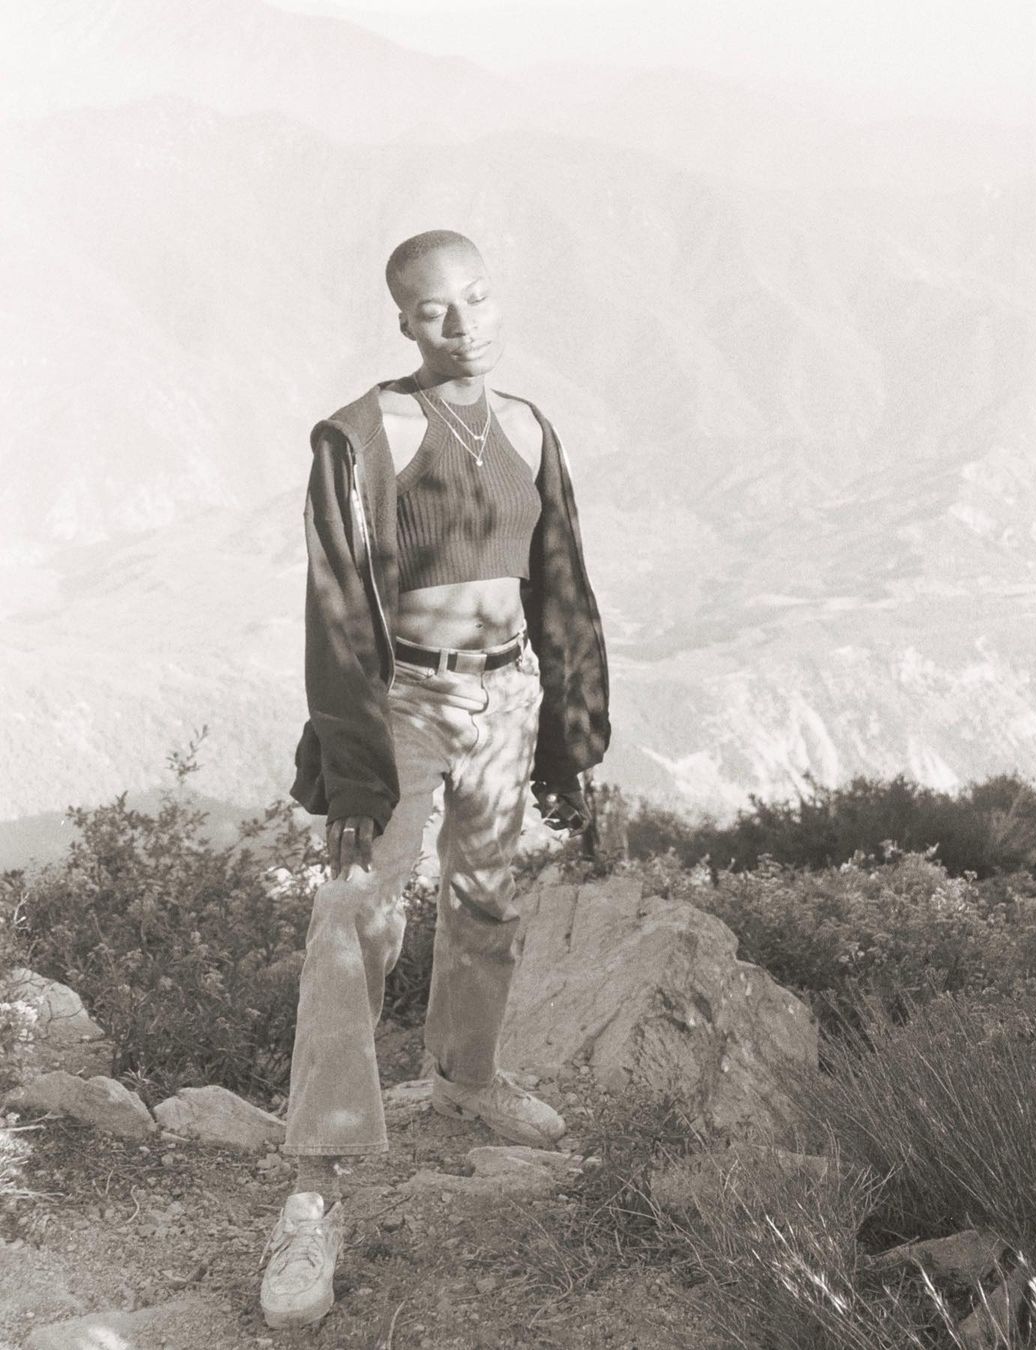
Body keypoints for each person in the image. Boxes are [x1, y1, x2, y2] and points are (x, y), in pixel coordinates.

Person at [259, 229, 610, 1329]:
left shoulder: (531, 428)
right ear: (404, 322)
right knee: (352, 914)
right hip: (402, 702)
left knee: (489, 902)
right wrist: (355, 773)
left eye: (479, 298)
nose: (463, 325)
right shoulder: (362, 435)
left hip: (509, 696)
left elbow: (564, 587)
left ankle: (465, 1079)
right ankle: (315, 1187)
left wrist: (572, 741)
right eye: (434, 309)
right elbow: (336, 609)